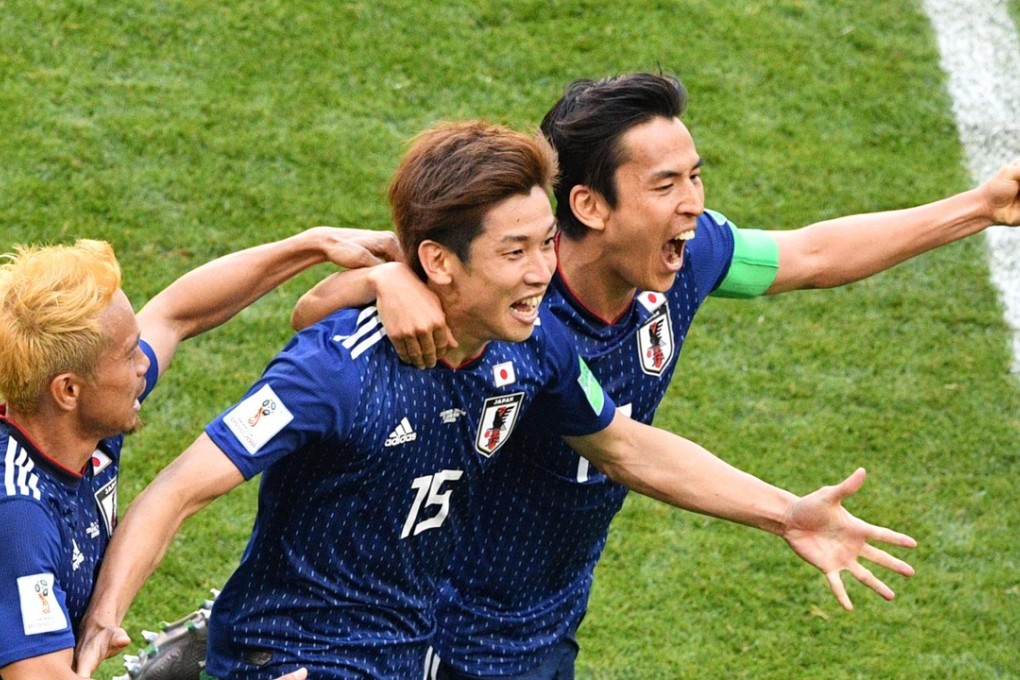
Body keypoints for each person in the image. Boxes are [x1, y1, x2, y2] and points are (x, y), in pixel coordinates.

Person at [74, 120, 914, 680]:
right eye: (516, 251)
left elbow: (621, 444)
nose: (544, 271)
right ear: (441, 264)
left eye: (546, 243)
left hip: (405, 650)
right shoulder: (337, 368)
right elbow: (179, 489)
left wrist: (784, 514)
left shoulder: (536, 346)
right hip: (291, 651)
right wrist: (107, 615)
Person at [290, 74, 1020, 679]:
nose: (694, 203)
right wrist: (386, 282)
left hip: (538, 630)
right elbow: (315, 320)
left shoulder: (683, 257)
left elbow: (811, 256)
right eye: (666, 184)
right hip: (418, 633)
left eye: (696, 176)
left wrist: (978, 207)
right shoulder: (505, 310)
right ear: (589, 205)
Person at [0, 226, 400, 680]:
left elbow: (177, 313)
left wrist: (312, 245)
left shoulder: (70, 424)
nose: (144, 363)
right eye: (129, 354)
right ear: (68, 389)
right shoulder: (18, 515)